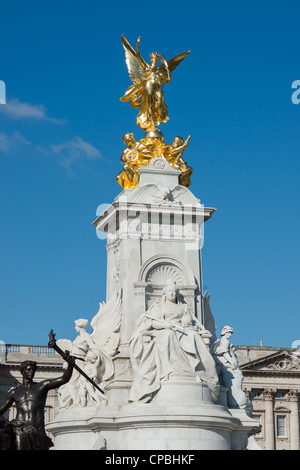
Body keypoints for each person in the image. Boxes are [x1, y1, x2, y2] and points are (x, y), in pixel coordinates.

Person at [129, 280, 219, 403]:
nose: (172, 293)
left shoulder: (182, 306)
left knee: (194, 336)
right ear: (165, 293)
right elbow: (153, 322)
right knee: (168, 335)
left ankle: (199, 370)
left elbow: (191, 321)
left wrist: (187, 321)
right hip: (164, 330)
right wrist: (165, 326)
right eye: (170, 291)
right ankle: (169, 370)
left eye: (174, 291)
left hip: (182, 330)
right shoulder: (159, 306)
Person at [0, 355, 75, 450]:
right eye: (28, 369)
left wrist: (70, 366)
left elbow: (64, 379)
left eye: (33, 370)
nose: (31, 372)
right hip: (19, 430)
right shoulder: (14, 392)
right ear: (22, 372)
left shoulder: (41, 387)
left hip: (37, 431)